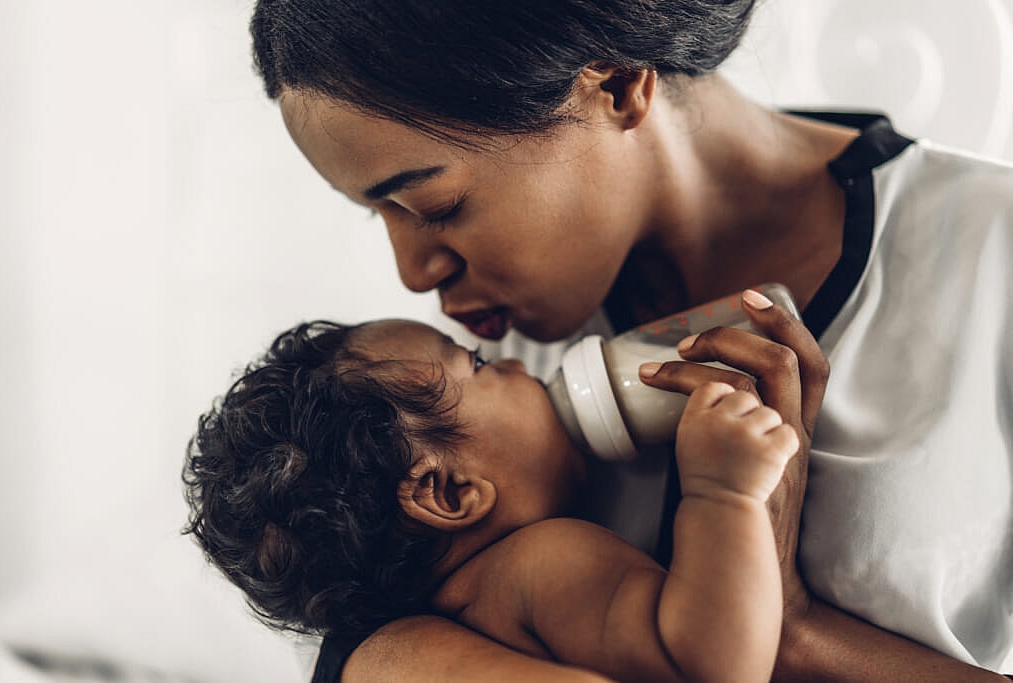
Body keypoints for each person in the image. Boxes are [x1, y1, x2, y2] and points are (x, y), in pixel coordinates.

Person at [245, 1, 1013, 680]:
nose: (414, 274)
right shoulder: (475, 381)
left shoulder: (990, 256)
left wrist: (796, 633)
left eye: (433, 203)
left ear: (615, 85)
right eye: (374, 211)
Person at [183, 296, 801, 683]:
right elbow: (709, 665)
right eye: (476, 365)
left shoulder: (457, 615)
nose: (512, 362)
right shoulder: (539, 564)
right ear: (448, 492)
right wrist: (724, 493)